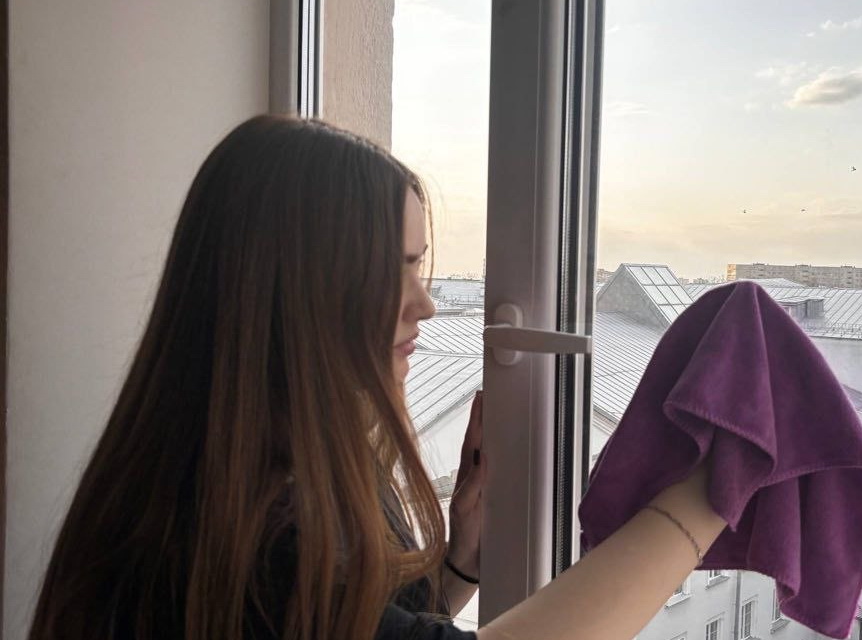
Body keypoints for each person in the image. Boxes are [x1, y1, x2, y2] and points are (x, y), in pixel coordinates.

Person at [27, 115, 727, 640]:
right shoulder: (254, 540)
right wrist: (711, 487)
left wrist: (460, 561)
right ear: (293, 289)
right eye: (395, 269)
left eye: (418, 267)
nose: (424, 304)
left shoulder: (204, 477)